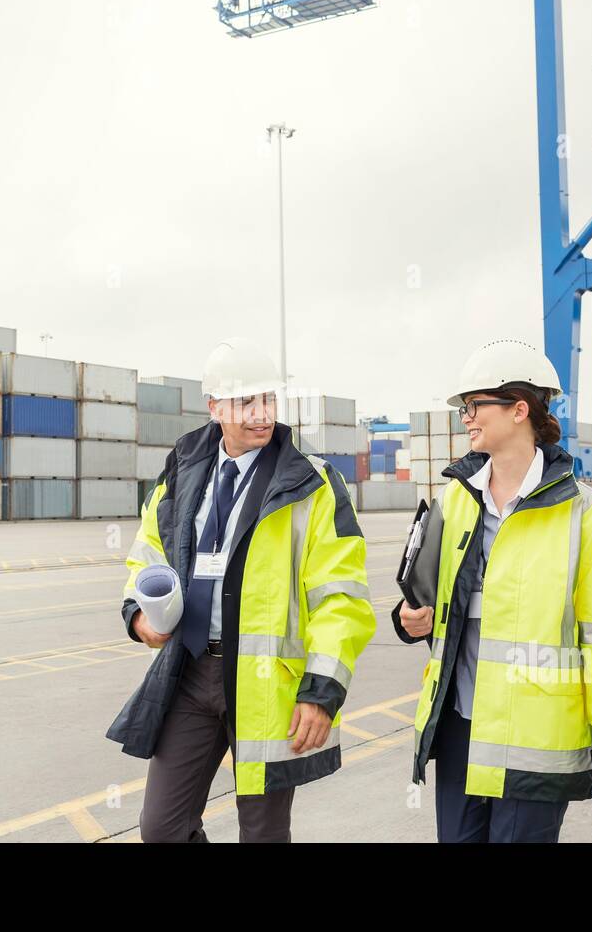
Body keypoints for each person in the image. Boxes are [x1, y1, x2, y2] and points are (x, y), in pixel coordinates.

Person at [106, 336, 376, 842]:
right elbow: (148, 554)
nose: (260, 413)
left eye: (268, 400)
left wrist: (321, 690)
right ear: (214, 407)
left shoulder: (313, 486)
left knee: (263, 835)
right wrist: (138, 614)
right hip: (189, 673)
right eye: (245, 402)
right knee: (161, 829)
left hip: (266, 684)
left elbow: (342, 599)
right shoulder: (183, 474)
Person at [394, 339, 592, 842]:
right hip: (461, 728)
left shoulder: (584, 511)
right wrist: (409, 618)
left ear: (518, 410)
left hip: (535, 740)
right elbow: (425, 598)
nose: (465, 418)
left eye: (474, 406)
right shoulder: (453, 499)